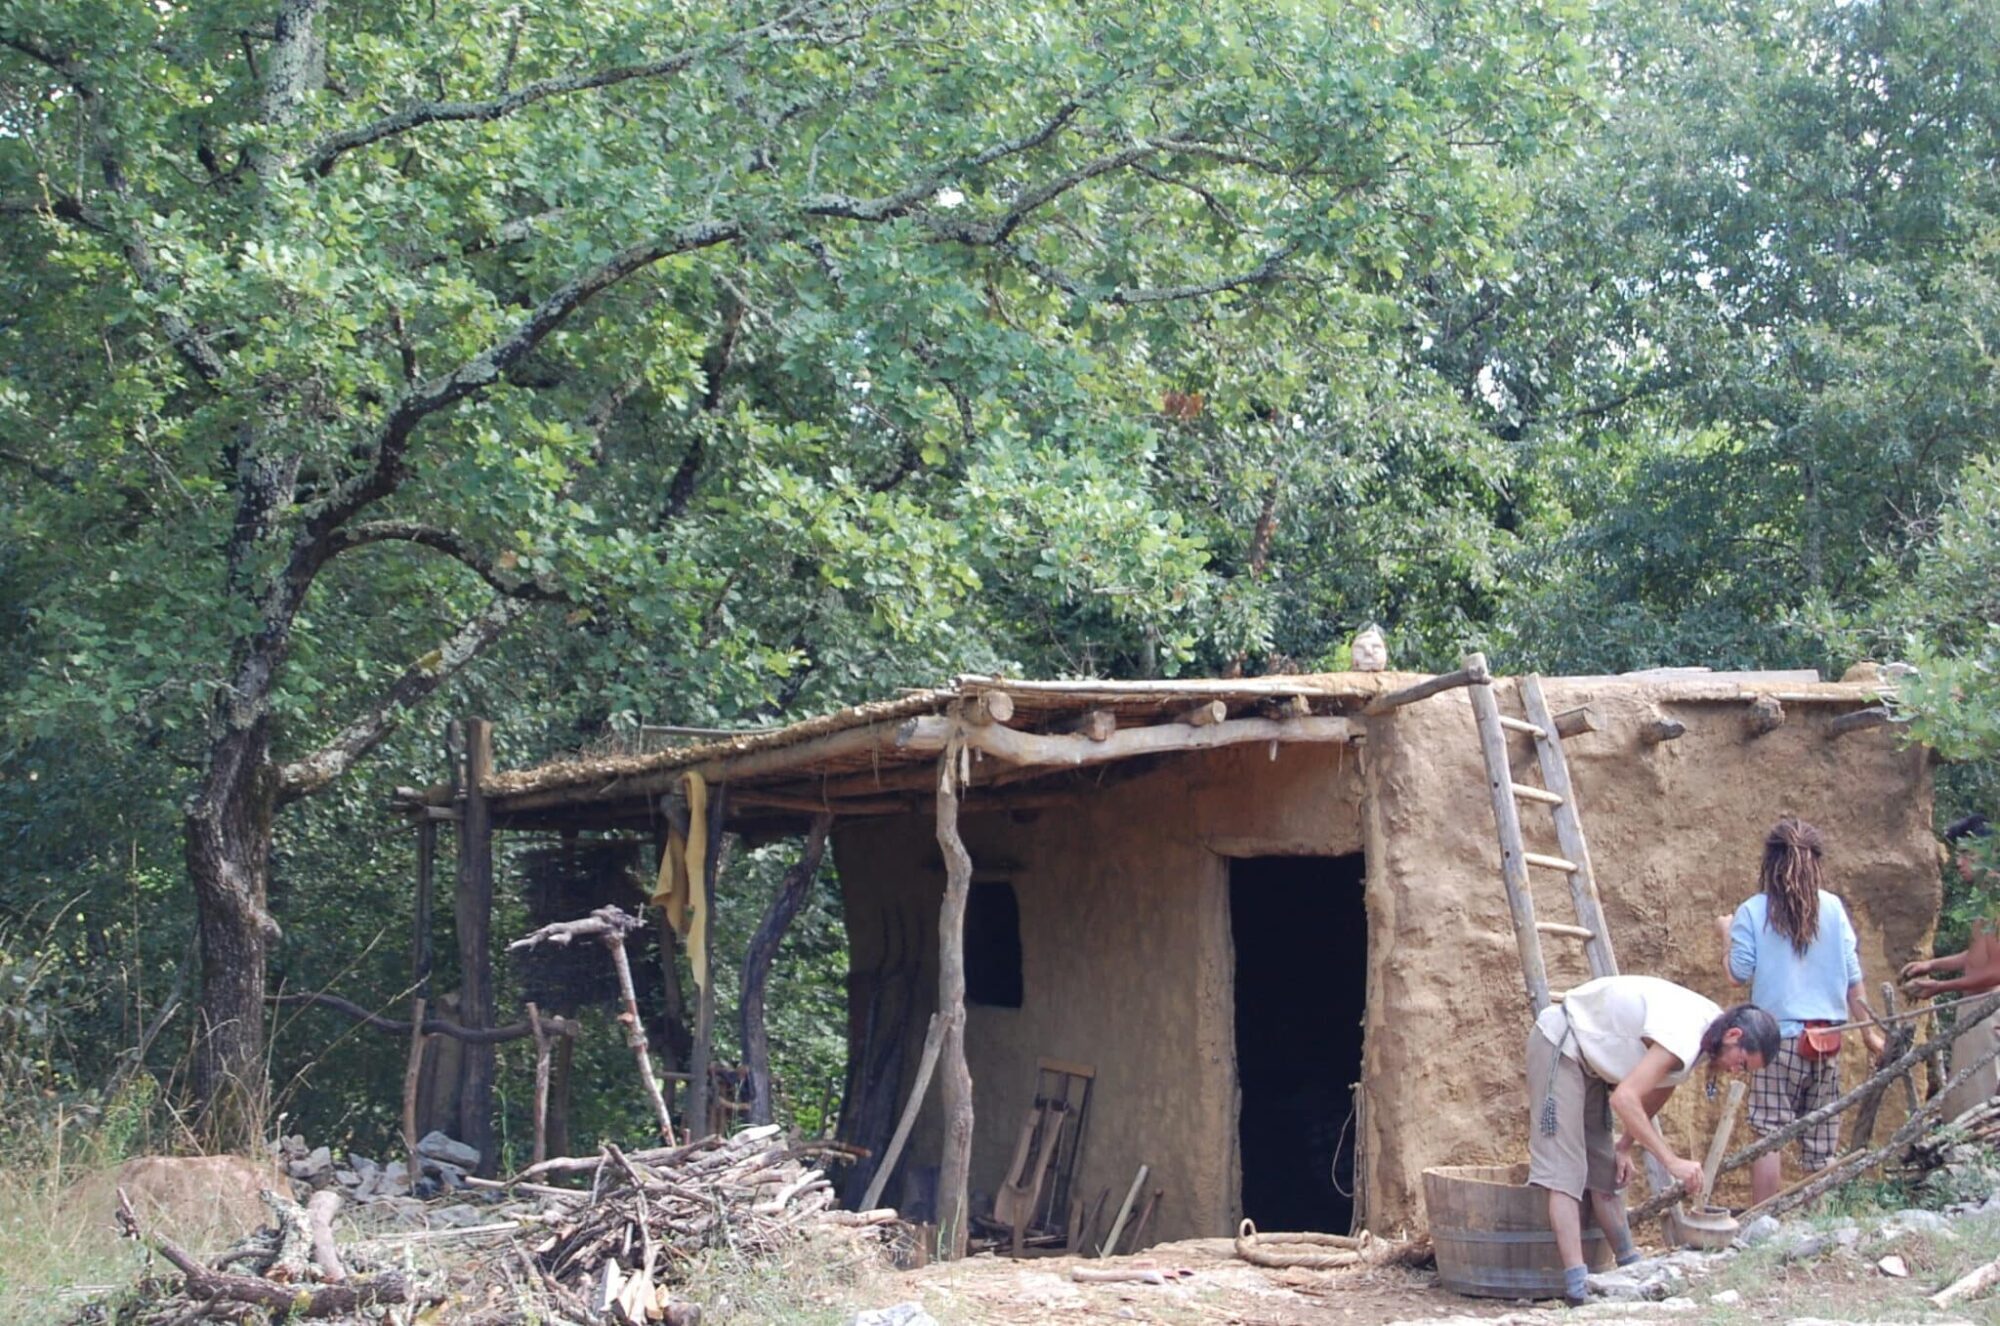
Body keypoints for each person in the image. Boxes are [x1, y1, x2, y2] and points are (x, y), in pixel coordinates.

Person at [1527, 974, 1777, 1305]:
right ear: (1734, 1035)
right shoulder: (1687, 1035)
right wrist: (1671, 1161)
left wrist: (1625, 1145)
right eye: (1741, 1062)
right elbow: (1625, 1098)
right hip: (1561, 1043)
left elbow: (1662, 1085)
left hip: (1591, 1063)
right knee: (1566, 1173)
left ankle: (1630, 1264)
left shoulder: (1708, 1034)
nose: (1735, 1071)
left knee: (1606, 1171)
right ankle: (1578, 1284)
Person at [1718, 818, 1886, 1205]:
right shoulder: (1833, 908)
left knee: (1769, 1134)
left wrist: (1726, 933)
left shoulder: (1752, 910)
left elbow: (1736, 975)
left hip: (1774, 1040)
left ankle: (1763, 1219)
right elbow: (1852, 976)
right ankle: (1820, 1221)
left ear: (1770, 861)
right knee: (1822, 1141)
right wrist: (1868, 1033)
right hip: (1826, 1039)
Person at [1902, 816, 1998, 997]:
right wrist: (1931, 965)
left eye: (1967, 853)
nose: (1959, 862)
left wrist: (1941, 986)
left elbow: (1997, 972)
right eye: (1958, 854)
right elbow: (1978, 954)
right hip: (1976, 1008)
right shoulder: (1986, 899)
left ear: (1991, 851)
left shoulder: (1997, 902)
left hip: (1991, 1012)